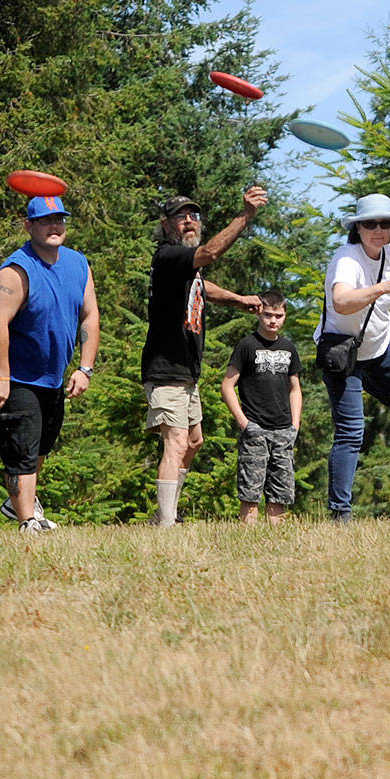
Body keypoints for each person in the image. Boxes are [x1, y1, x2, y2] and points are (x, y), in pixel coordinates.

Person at [142, 188, 265, 526]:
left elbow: (201, 285)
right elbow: (209, 254)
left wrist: (237, 299)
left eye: (193, 215)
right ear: (166, 225)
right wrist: (246, 216)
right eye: (180, 217)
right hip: (165, 368)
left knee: (193, 442)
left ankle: (163, 515)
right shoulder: (167, 255)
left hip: (186, 372)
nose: (188, 221)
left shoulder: (184, 268)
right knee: (177, 441)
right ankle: (166, 524)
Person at [0, 195, 99, 532]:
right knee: (21, 447)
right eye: (47, 221)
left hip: (54, 376)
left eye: (59, 220)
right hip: (17, 375)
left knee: (41, 445)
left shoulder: (78, 263)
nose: (55, 226)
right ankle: (27, 521)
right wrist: (2, 377)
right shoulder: (16, 269)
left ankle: (21, 502)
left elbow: (90, 316)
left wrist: (85, 367)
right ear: (29, 226)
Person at [321, 193, 390, 521]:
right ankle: (340, 513)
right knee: (351, 432)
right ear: (357, 228)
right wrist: (384, 287)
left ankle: (356, 390)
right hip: (344, 355)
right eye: (370, 223)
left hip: (379, 348)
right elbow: (341, 301)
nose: (378, 229)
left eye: (385, 223)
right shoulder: (347, 259)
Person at [222, 290, 301, 523]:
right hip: (255, 429)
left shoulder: (289, 348)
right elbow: (227, 385)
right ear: (259, 314)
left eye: (278, 315)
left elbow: (295, 388)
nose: (273, 320)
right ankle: (248, 540)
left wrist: (294, 426)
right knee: (250, 491)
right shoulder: (247, 345)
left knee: (280, 492)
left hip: (283, 430)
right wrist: (244, 423)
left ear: (285, 316)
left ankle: (273, 541)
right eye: (268, 315)